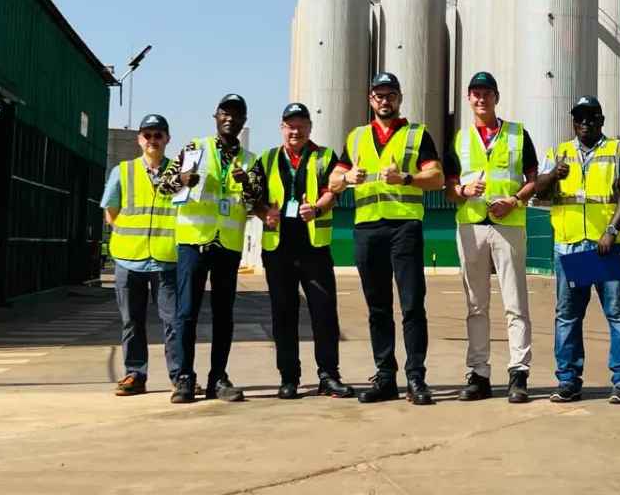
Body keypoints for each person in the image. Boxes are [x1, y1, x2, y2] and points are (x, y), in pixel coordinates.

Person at [328, 72, 444, 406]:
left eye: (390, 95)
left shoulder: (416, 134)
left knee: (412, 305)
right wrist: (347, 177)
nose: (385, 101)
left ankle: (416, 377)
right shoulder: (357, 137)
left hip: (404, 227)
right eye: (379, 95)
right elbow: (334, 180)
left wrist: (405, 177)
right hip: (367, 229)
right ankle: (385, 377)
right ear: (370, 99)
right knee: (377, 308)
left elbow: (436, 177)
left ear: (399, 98)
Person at [534, 96, 620, 404]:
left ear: (601, 120)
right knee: (568, 316)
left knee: (617, 313)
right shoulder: (558, 153)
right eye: (579, 117)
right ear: (573, 121)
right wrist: (553, 175)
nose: (585, 123)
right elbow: (539, 190)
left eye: (591, 117)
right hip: (571, 246)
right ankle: (568, 380)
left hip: (605, 248)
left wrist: (611, 231)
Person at [444, 72, 538, 403]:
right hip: (471, 226)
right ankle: (479, 374)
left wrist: (514, 200)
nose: (481, 98)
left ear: (496, 97)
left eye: (486, 93)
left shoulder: (517, 134)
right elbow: (449, 187)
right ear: (468, 99)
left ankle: (518, 373)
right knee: (475, 305)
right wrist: (464, 190)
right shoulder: (460, 138)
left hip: (508, 224)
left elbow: (532, 179)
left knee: (516, 302)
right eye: (475, 93)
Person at [160, 93, 261, 404]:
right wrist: (182, 178)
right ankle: (184, 379)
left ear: (244, 121)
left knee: (223, 314)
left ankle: (218, 377)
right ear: (216, 117)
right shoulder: (195, 149)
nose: (230, 118)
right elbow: (163, 186)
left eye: (236, 114)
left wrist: (246, 183)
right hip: (194, 241)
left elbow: (256, 201)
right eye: (224, 113)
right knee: (186, 312)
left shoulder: (250, 161)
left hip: (227, 245)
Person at [252, 102, 355, 400]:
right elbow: (253, 198)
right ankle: (289, 378)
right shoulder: (266, 159)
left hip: (314, 249)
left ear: (310, 127)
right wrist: (264, 214)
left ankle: (329, 376)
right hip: (278, 250)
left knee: (324, 314)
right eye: (290, 126)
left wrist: (318, 209)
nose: (295, 131)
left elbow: (334, 192)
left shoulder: (325, 156)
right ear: (282, 128)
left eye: (300, 126)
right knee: (283, 315)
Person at [101, 113, 180, 396]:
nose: (152, 140)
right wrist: (126, 234)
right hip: (129, 259)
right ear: (139, 139)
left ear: (167, 139)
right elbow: (110, 210)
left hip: (166, 259)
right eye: (147, 135)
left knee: (174, 321)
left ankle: (180, 376)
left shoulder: (180, 173)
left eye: (158, 135)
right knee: (132, 321)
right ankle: (135, 374)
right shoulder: (123, 171)